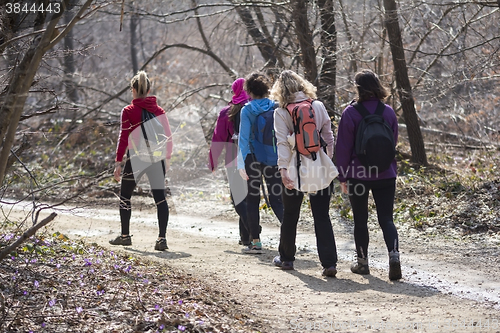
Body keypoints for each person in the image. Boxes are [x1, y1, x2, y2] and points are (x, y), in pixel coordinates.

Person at [270, 70, 338, 276]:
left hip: (294, 168)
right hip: (319, 167)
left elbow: (282, 144)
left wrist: (283, 170)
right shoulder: (317, 105)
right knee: (322, 215)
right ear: (302, 85)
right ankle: (329, 264)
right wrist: (327, 159)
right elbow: (329, 136)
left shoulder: (281, 113)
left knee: (290, 215)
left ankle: (287, 259)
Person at [335, 69, 401, 280]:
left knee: (360, 219)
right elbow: (393, 142)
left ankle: (363, 263)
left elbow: (343, 147)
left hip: (358, 175)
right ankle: (394, 257)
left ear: (358, 88)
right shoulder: (388, 112)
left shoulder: (350, 113)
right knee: (387, 219)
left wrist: (342, 176)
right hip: (386, 174)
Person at [110, 70, 173, 251]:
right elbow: (168, 136)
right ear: (149, 89)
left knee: (125, 197)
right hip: (157, 158)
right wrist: (167, 158)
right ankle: (162, 239)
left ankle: (125, 236)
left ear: (133, 89)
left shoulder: (129, 111)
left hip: (136, 158)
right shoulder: (159, 111)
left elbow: (123, 137)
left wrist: (118, 162)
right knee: (160, 199)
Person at [238, 72, 284, 254]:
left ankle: (255, 242)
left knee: (252, 199)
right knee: (276, 199)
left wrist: (241, 163)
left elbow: (243, 139)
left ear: (249, 91)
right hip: (273, 157)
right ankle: (290, 235)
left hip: (252, 158)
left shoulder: (247, 110)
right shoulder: (276, 106)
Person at [209, 78, 251, 246]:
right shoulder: (255, 108)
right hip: (253, 156)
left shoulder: (227, 111)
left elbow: (218, 139)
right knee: (249, 197)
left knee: (238, 198)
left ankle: (253, 229)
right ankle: (246, 237)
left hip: (233, 156)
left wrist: (213, 161)